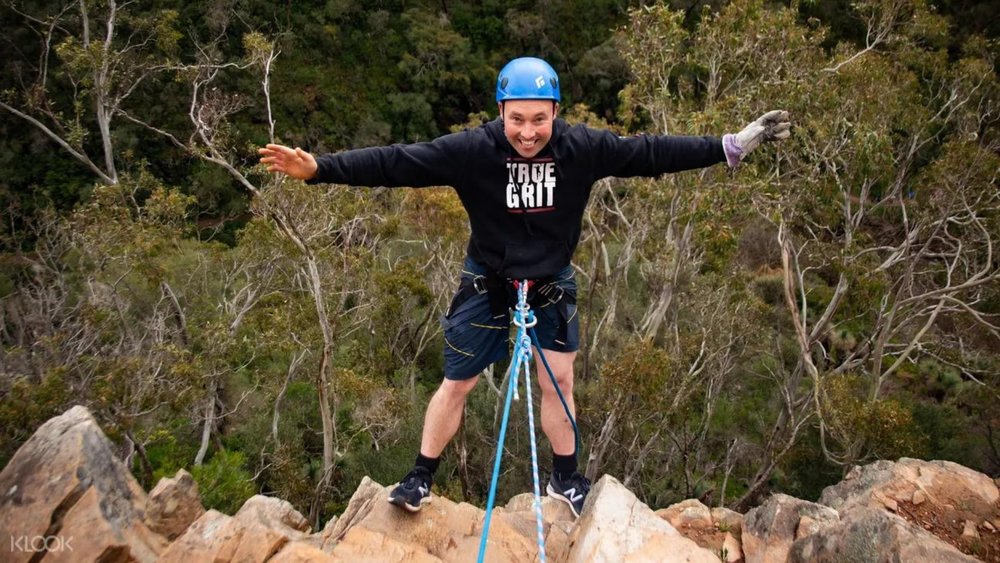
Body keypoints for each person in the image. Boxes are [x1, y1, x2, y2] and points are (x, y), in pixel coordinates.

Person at [259, 57, 790, 518]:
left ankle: (565, 478)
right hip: (487, 278)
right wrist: (321, 170)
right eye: (517, 120)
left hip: (551, 280)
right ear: (500, 111)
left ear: (555, 112)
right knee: (458, 381)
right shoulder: (473, 150)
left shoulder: (582, 147)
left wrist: (729, 146)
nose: (529, 132)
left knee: (558, 379)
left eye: (539, 119)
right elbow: (399, 161)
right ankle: (420, 476)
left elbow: (649, 153)